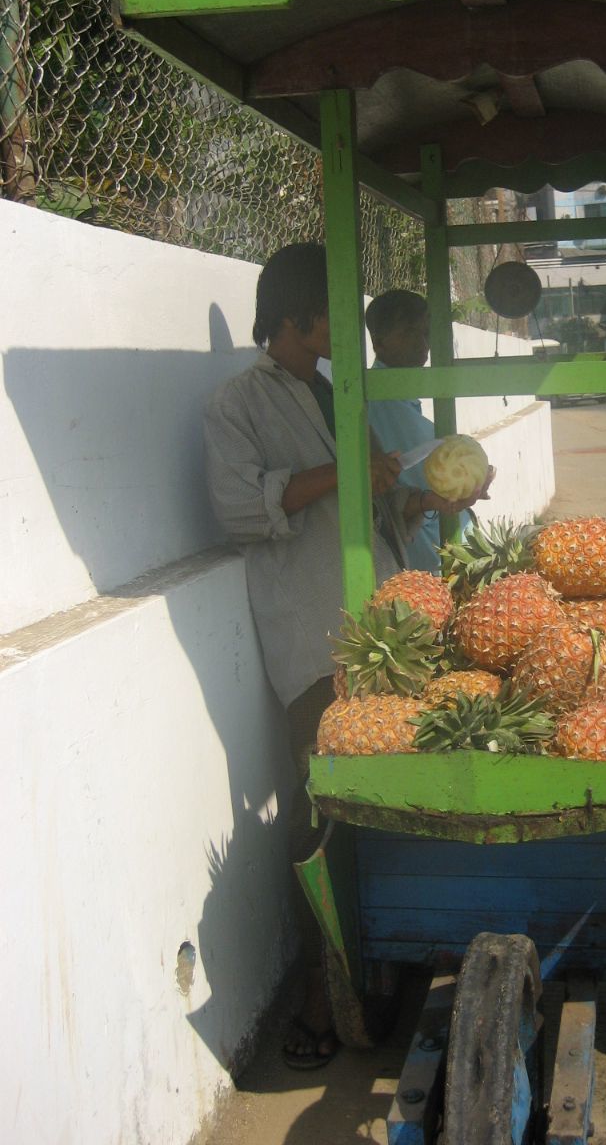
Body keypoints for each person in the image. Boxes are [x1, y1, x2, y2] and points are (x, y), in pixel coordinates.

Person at [204, 243, 490, 1069]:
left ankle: (403, 952)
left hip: (388, 623)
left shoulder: (340, 393)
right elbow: (239, 508)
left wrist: (422, 497)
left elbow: (377, 508)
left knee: (407, 784)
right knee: (322, 810)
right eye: (333, 309)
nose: (345, 323)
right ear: (295, 318)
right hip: (315, 635)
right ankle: (325, 996)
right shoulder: (236, 404)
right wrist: (342, 471)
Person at [365, 289, 470, 572]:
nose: (422, 342)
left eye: (426, 332)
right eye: (410, 332)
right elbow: (448, 463)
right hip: (427, 557)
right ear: (379, 343)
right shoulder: (383, 399)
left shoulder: (400, 393)